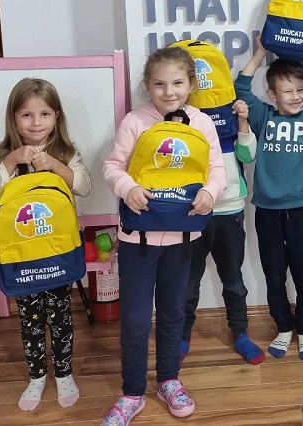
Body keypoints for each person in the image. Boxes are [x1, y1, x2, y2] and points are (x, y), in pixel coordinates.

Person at [101, 47, 226, 425]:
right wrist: (127, 188)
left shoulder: (202, 122)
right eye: (159, 84)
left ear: (191, 84)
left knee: (174, 313)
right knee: (136, 319)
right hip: (137, 240)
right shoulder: (135, 122)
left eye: (177, 83)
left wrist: (210, 193)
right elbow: (112, 166)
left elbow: (216, 169)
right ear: (147, 85)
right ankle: (132, 392)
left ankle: (169, 379)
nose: (169, 91)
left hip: (181, 240)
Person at [0, 78, 92, 412]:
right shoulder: (3, 156)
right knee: (29, 319)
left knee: (60, 315)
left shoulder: (66, 152)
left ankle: (64, 374)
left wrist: (55, 166)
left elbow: (84, 186)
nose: (36, 122)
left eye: (44, 114)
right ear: (13, 118)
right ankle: (37, 376)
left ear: (56, 117)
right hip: (21, 255)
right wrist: (11, 161)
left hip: (57, 252)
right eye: (26, 114)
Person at [234, 35, 303, 360]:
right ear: (272, 94)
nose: (296, 97)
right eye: (287, 91)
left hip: (302, 211)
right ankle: (283, 327)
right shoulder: (263, 117)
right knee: (274, 274)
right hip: (267, 212)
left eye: (301, 90)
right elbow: (241, 88)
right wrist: (260, 52)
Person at [180, 99, 265, 365]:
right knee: (187, 282)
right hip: (192, 211)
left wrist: (242, 121)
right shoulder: (180, 114)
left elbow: (248, 156)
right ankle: (181, 337)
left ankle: (240, 333)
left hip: (229, 210)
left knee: (233, 280)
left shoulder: (230, 111)